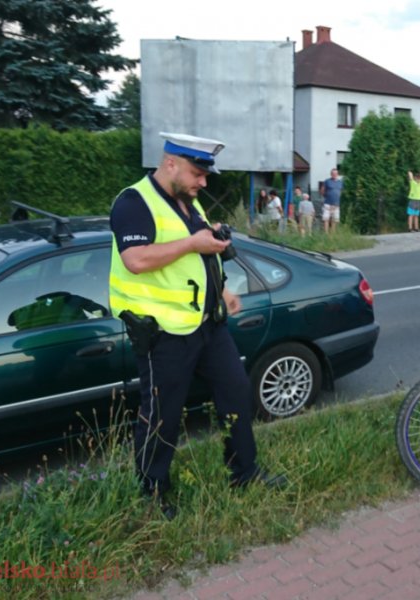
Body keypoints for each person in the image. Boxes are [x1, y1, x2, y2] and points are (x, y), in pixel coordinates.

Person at [109, 132, 285, 519]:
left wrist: (222, 293)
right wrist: (193, 243)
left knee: (237, 392)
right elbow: (136, 259)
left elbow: (202, 259)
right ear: (170, 163)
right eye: (197, 173)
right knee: (162, 416)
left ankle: (244, 473)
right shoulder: (134, 202)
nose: (203, 182)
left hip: (207, 325)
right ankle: (153, 496)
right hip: (164, 334)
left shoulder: (189, 203)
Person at [320, 168, 342, 234]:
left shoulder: (340, 182)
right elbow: (322, 190)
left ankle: (332, 234)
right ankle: (326, 234)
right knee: (326, 219)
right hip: (327, 203)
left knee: (334, 220)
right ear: (331, 174)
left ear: (337, 174)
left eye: (335, 174)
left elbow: (340, 191)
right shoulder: (327, 181)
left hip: (336, 204)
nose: (334, 175)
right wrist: (326, 196)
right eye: (333, 174)